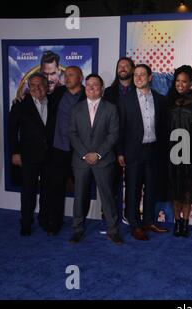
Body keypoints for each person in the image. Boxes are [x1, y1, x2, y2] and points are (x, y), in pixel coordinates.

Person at [68, 74, 122, 244]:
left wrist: (97, 154)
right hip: (81, 161)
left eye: (96, 85)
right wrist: (85, 154)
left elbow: (113, 135)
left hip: (103, 160)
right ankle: (77, 229)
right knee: (80, 196)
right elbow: (72, 134)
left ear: (102, 88)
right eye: (88, 85)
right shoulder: (76, 109)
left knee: (107, 197)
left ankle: (113, 230)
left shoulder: (111, 108)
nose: (91, 88)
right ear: (85, 88)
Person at [117, 64, 168, 241]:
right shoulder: (125, 100)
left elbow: (163, 127)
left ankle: (148, 221)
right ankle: (135, 225)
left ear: (150, 77)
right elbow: (120, 128)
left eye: (142, 75)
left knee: (151, 188)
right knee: (133, 189)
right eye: (135, 75)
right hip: (133, 151)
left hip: (153, 150)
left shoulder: (160, 99)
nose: (138, 78)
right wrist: (120, 152)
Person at [8, 73, 56, 235]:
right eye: (33, 85)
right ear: (29, 87)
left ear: (47, 86)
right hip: (28, 155)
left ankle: (44, 220)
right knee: (28, 191)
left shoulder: (54, 102)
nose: (37, 88)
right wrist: (15, 152)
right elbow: (12, 132)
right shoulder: (20, 105)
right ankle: (26, 222)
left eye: (40, 85)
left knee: (47, 191)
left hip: (50, 155)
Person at [45, 66, 87, 234]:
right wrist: (23, 99)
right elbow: (40, 101)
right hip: (58, 149)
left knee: (81, 190)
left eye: (71, 75)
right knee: (56, 188)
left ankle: (80, 224)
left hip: (79, 151)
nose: (67, 78)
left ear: (80, 77)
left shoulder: (89, 95)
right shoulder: (57, 93)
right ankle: (54, 223)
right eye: (65, 75)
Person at [166, 65, 192, 237]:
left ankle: (186, 223)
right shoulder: (168, 100)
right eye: (177, 81)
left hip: (190, 151)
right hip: (172, 151)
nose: (180, 84)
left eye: (184, 81)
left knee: (188, 189)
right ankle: (177, 222)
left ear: (190, 83)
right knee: (175, 189)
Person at [103, 57, 136, 226]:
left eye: (126, 66)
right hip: (112, 144)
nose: (122, 68)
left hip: (133, 144)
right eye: (119, 66)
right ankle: (109, 218)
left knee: (132, 183)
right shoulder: (109, 92)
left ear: (132, 69)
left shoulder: (139, 90)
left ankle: (130, 215)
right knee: (111, 184)